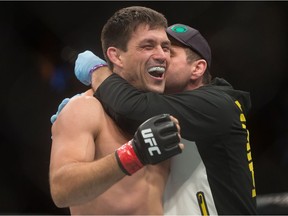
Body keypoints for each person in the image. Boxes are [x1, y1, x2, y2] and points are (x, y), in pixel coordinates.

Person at [69, 23, 258, 214]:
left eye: (170, 52)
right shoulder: (174, 107)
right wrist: (89, 103)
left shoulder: (217, 105)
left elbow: (131, 108)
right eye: (157, 48)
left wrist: (97, 70)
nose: (161, 57)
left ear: (197, 69)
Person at [49, 6, 183, 215]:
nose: (161, 56)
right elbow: (61, 190)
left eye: (165, 47)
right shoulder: (85, 108)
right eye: (148, 46)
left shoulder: (166, 108)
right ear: (116, 56)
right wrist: (134, 154)